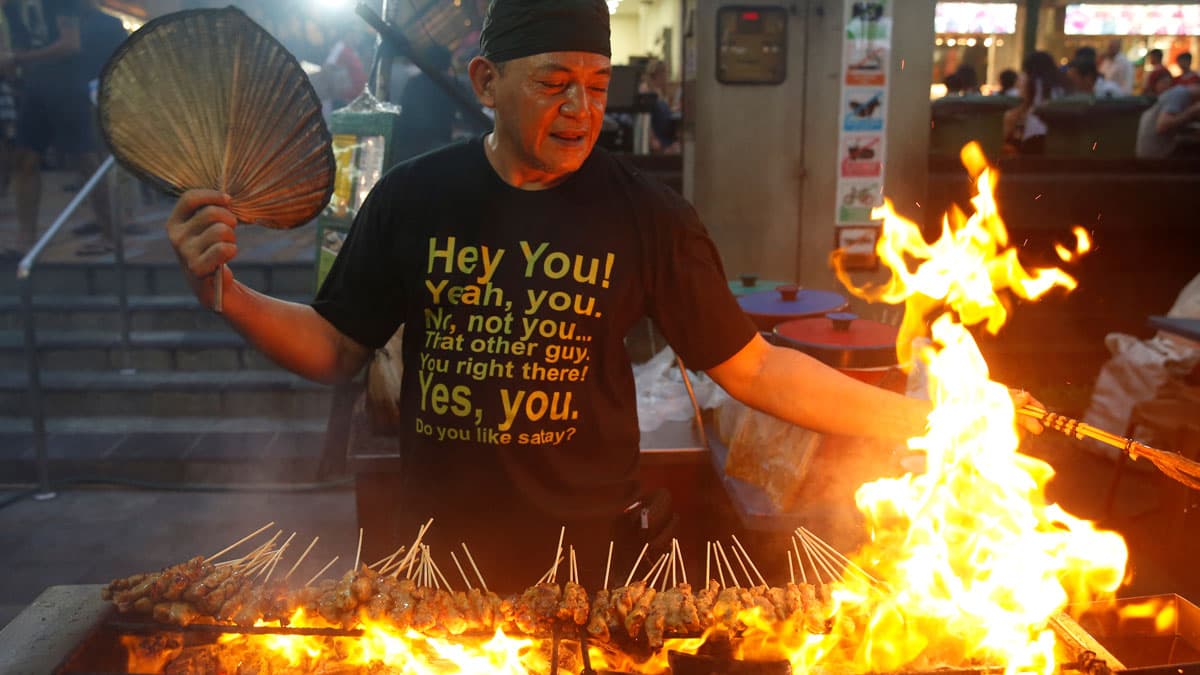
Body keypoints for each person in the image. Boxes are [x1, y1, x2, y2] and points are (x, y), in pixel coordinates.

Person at [164, 0, 1041, 591]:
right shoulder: (413, 200)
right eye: (554, 83)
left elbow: (757, 369)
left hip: (593, 559)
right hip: (439, 557)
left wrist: (927, 422)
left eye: (597, 83)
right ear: (485, 84)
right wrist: (228, 295)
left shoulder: (649, 215)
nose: (583, 108)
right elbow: (335, 348)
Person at [0, 0, 125, 255]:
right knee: (24, 158)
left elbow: (70, 44)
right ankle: (27, 238)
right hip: (35, 86)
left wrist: (18, 57)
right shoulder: (11, 6)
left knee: (85, 160)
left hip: (68, 85)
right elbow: (19, 46)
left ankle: (109, 234)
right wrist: (13, 63)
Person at [395, 43, 458, 161]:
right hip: (437, 149)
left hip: (409, 149)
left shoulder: (413, 83)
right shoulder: (451, 85)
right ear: (447, 64)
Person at [1007, 51, 1064, 155]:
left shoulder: (1030, 82)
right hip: (1058, 138)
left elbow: (1017, 112)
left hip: (1034, 137)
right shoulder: (1061, 84)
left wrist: (1005, 135)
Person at [1136, 83, 1200, 159]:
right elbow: (1163, 125)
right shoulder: (1180, 94)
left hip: (1148, 153)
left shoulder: (1179, 94)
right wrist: (1191, 112)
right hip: (1156, 156)